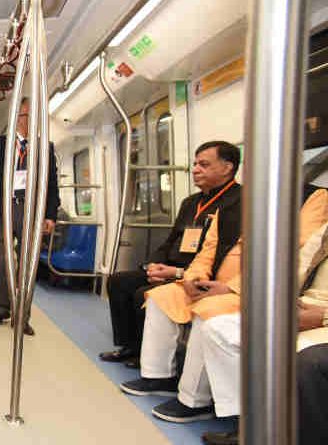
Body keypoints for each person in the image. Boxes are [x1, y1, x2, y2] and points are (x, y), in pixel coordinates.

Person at [124, 189, 328, 445]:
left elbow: (294, 248)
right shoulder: (233, 204)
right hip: (253, 290)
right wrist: (192, 277)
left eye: (205, 164)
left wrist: (237, 288)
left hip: (253, 287)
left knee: (210, 312)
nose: (197, 169)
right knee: (161, 298)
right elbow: (209, 249)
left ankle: (196, 400)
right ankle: (158, 376)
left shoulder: (311, 197)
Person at [100, 141, 242, 368]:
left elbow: (223, 256)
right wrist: (152, 265)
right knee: (119, 281)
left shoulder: (239, 202)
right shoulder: (191, 203)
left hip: (197, 276)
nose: (196, 169)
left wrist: (177, 273)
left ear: (227, 168)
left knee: (142, 294)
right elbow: (171, 240)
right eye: (195, 164)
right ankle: (130, 346)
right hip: (170, 267)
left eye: (204, 164)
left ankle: (149, 355)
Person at [0, 97, 60, 336]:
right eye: (25, 116)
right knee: (0, 264)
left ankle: (23, 315)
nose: (28, 120)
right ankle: (2, 307)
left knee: (27, 266)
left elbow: (51, 185)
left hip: (30, 210)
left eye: (32, 116)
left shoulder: (45, 148)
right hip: (2, 207)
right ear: (17, 117)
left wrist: (50, 215)